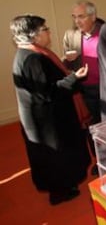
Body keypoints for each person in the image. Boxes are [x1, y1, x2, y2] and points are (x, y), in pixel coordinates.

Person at [11, 15, 91, 205]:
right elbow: (48, 91)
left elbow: (46, 79)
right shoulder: (32, 58)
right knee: (55, 158)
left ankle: (64, 187)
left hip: (44, 119)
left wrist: (64, 62)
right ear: (35, 35)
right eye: (45, 29)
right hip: (47, 123)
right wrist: (74, 78)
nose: (49, 33)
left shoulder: (31, 53)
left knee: (54, 157)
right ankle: (61, 191)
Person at [62, 0, 102, 175]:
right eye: (74, 17)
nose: (77, 21)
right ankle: (99, 161)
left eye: (81, 16)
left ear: (93, 16)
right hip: (84, 91)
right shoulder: (70, 35)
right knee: (91, 128)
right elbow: (65, 65)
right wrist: (67, 59)